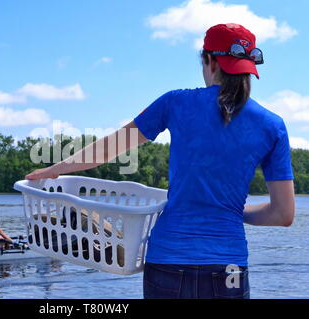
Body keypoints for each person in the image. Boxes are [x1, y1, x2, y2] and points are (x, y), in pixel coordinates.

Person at [25, 24, 295, 299]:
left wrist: (53, 170)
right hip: (228, 266)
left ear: (209, 61)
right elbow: (283, 214)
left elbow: (108, 149)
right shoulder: (273, 126)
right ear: (250, 68)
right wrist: (235, 212)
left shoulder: (176, 102)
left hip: (168, 261)